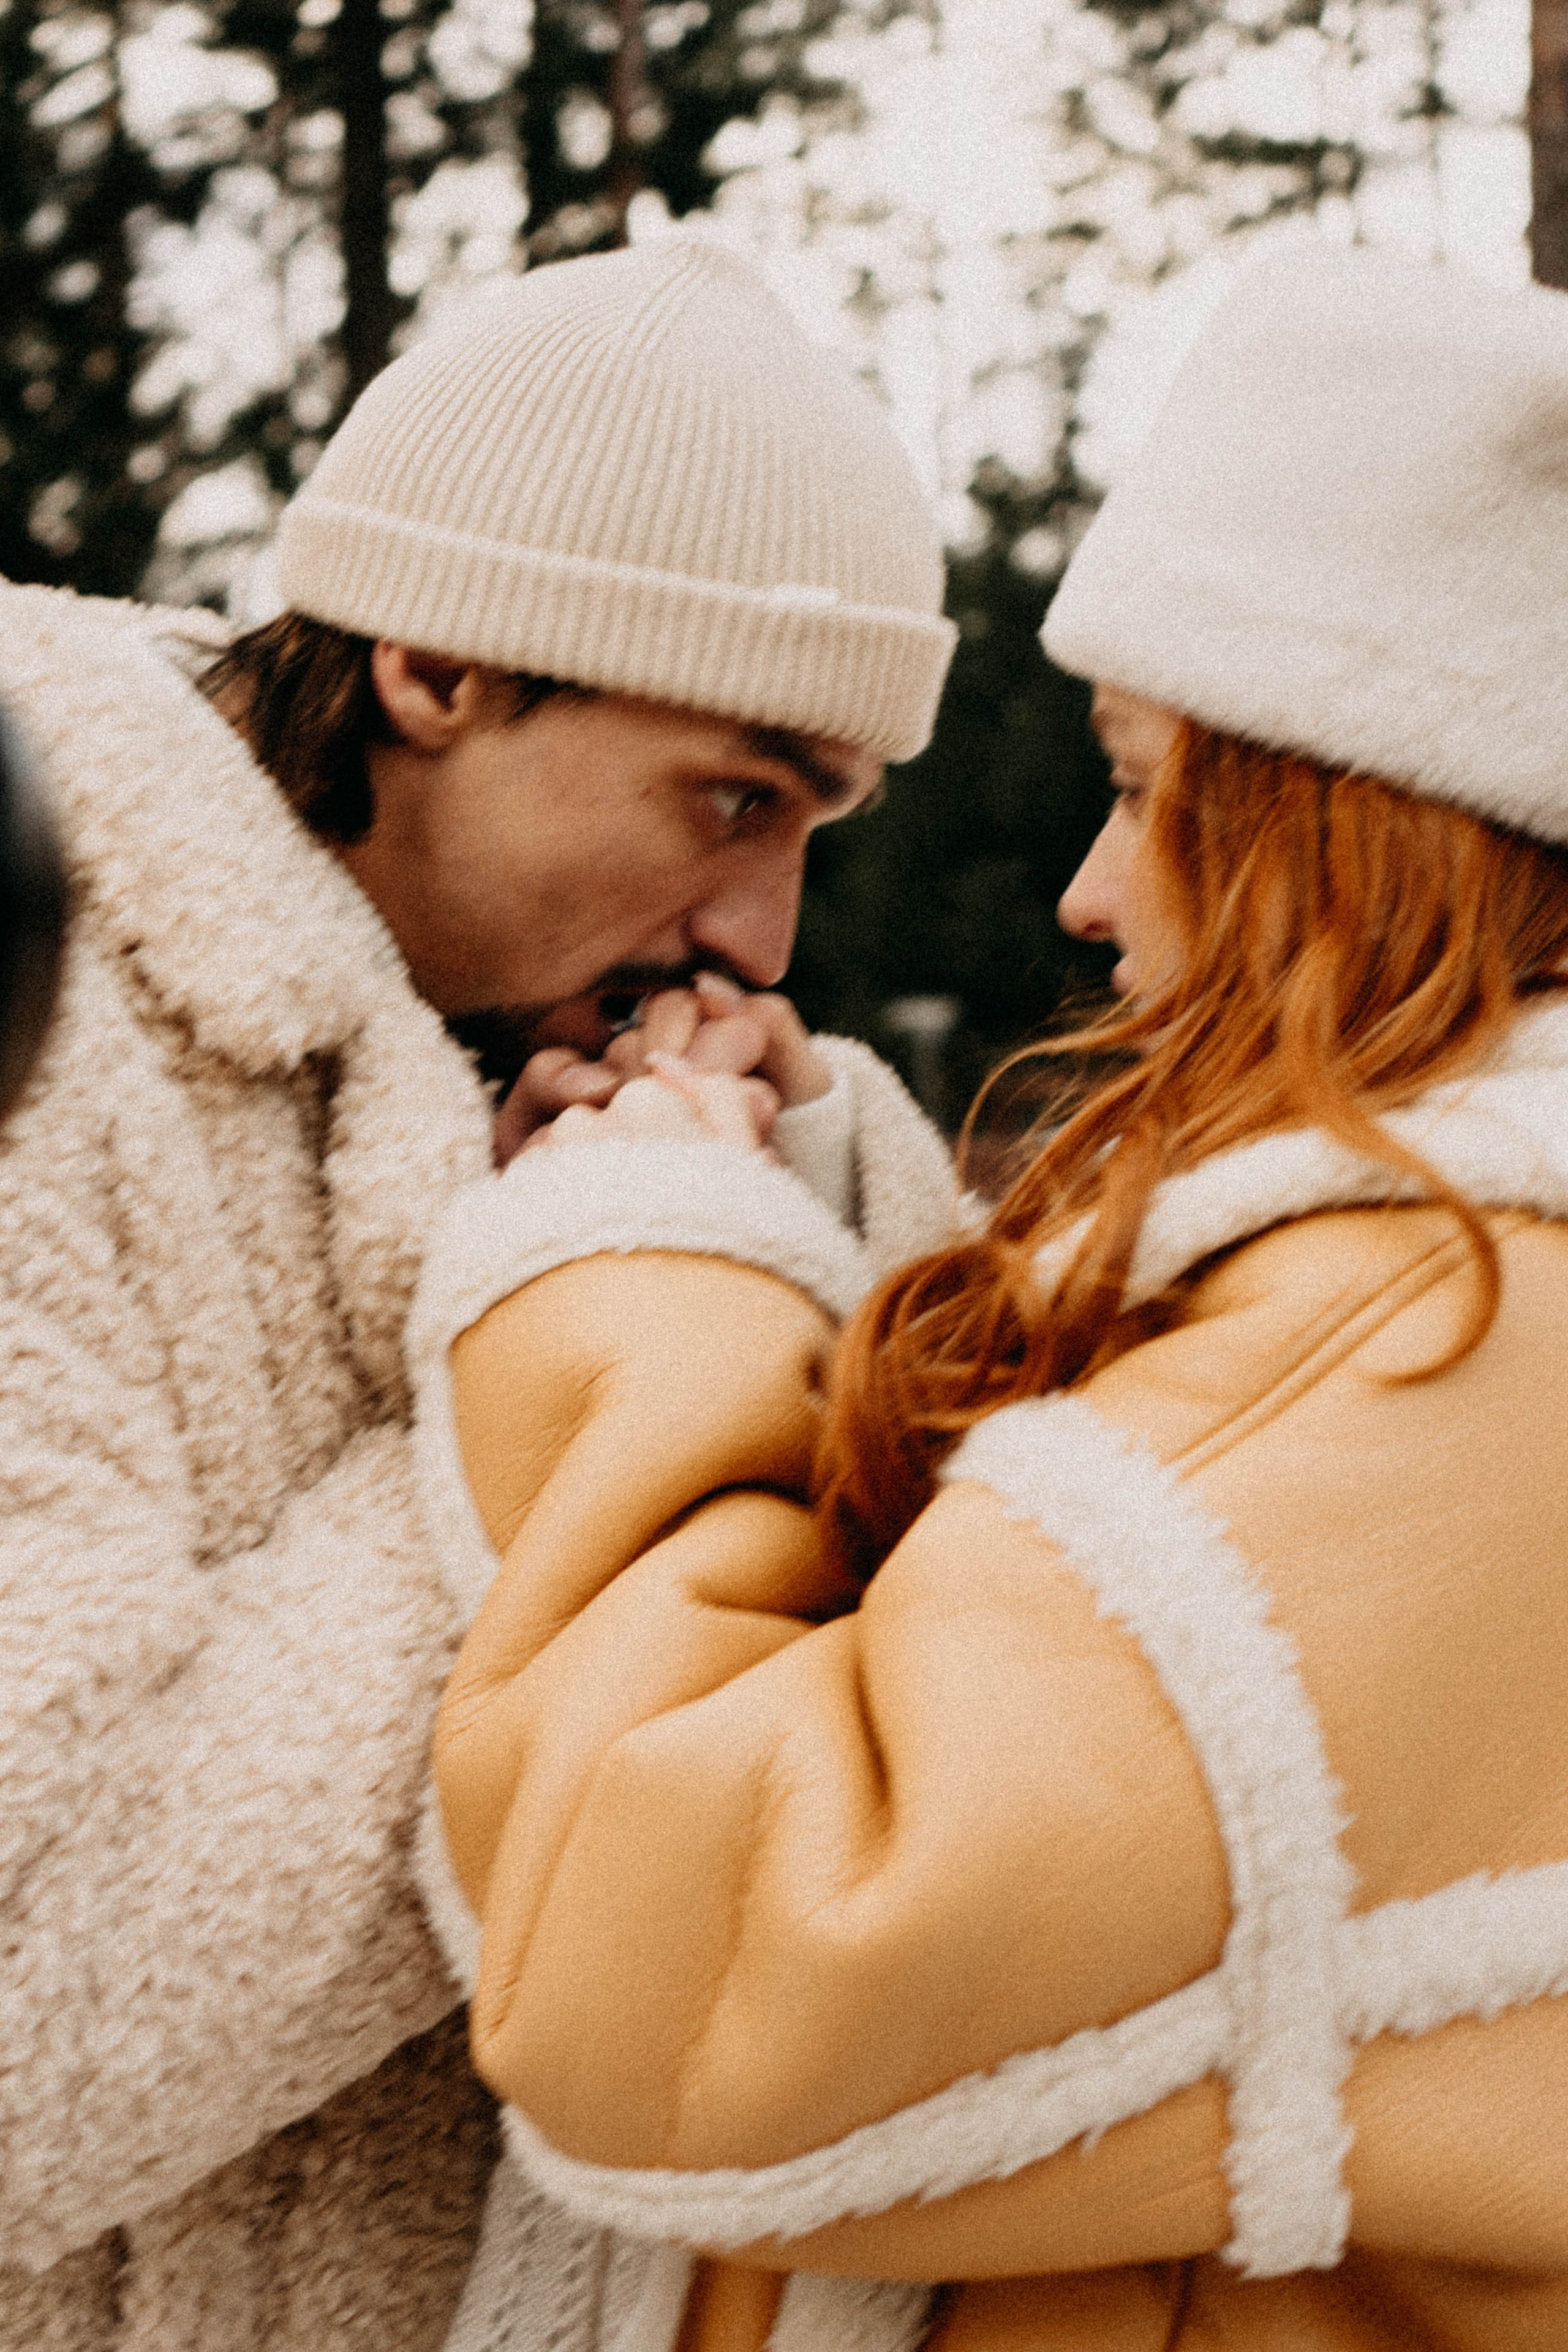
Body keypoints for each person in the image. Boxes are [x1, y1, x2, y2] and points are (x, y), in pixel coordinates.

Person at [407, 246, 1568, 2352]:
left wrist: (636, 1260)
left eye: (1142, 784)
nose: (1087, 893)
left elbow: (705, 1981)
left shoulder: (1455, 1321)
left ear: (1366, 820)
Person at [0, 239, 959, 2351]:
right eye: (735, 797)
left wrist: (781, 1235)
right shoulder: (34, 1027)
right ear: (439, 669)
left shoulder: (602, 1069)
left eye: (817, 828)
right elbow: (25, 2020)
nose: (767, 936)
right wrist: (603, 1341)